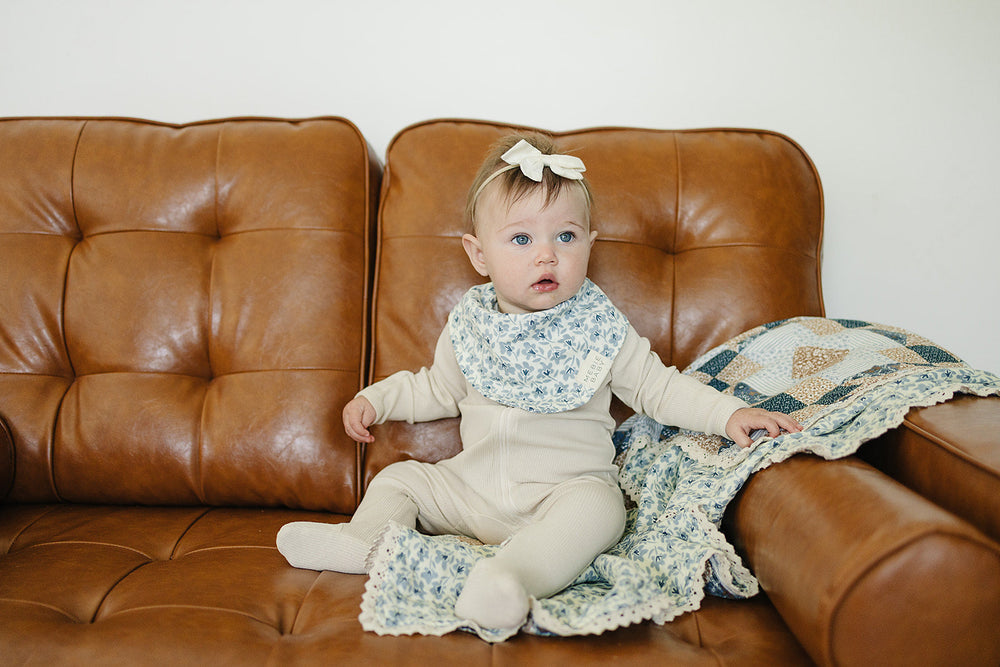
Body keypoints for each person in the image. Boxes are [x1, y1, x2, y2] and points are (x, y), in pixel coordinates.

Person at [276, 133, 801, 631]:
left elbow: (657, 388)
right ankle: (363, 542)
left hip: (561, 494)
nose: (546, 254)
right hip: (471, 493)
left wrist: (727, 414)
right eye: (522, 238)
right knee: (400, 479)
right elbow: (436, 388)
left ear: (589, 245)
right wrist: (376, 400)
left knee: (601, 509)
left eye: (566, 236)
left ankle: (510, 581)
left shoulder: (597, 326)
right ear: (479, 254)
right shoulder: (471, 322)